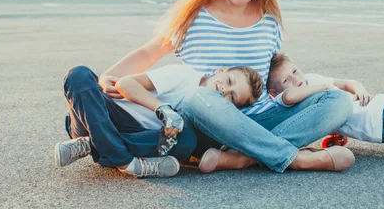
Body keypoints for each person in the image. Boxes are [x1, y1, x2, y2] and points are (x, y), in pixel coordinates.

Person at [61, 0, 355, 175]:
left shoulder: (270, 22)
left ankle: (247, 156)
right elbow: (151, 51)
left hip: (264, 118)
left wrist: (333, 83)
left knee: (339, 101)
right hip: (205, 120)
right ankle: (295, 158)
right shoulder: (196, 16)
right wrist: (110, 77)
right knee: (200, 96)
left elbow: (279, 74)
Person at [56, 64, 264, 176]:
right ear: (221, 70)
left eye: (232, 97)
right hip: (102, 115)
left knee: (187, 141)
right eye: (229, 81)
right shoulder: (184, 76)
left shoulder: (208, 116)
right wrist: (162, 108)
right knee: (78, 75)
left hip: (137, 136)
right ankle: (126, 163)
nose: (224, 90)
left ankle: (93, 146)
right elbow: (126, 84)